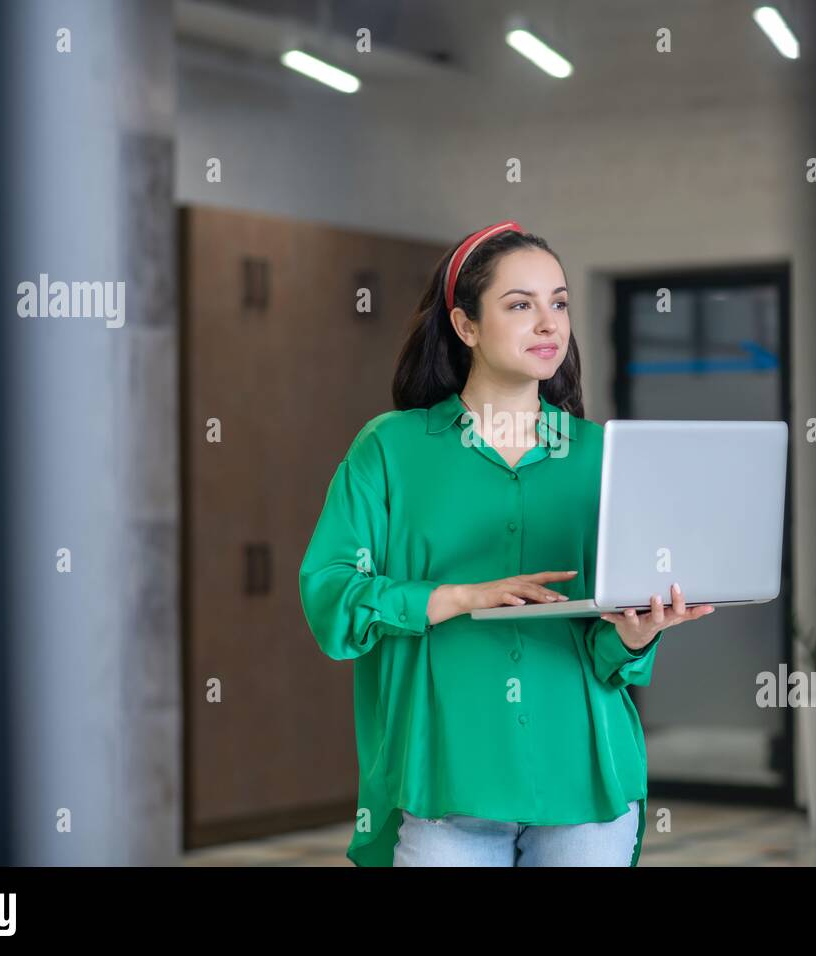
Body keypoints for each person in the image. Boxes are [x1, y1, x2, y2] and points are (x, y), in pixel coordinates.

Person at [298, 220, 715, 866]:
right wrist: (459, 596)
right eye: (520, 305)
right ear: (465, 325)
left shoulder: (600, 456)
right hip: (445, 785)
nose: (549, 324)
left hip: (585, 788)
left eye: (558, 303)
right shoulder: (390, 450)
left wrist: (637, 634)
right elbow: (330, 597)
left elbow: (606, 652)